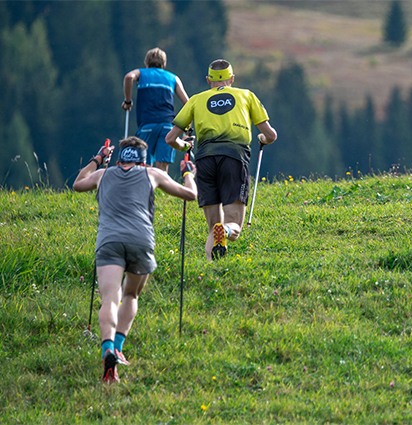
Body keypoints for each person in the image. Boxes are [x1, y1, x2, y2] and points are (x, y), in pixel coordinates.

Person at [73, 136, 197, 383]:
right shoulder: (153, 174)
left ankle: (107, 348)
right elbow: (190, 195)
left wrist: (98, 159)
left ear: (120, 157)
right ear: (144, 159)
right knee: (130, 295)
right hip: (141, 240)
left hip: (109, 241)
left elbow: (77, 184)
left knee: (110, 299)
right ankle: (118, 348)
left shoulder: (102, 175)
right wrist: (188, 173)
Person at [165, 59, 277, 262]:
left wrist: (184, 146)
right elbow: (271, 135)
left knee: (213, 227)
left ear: (208, 80)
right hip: (234, 158)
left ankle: (212, 269)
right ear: (232, 79)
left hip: (205, 160)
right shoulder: (246, 95)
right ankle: (225, 230)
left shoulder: (196, 100)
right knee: (234, 224)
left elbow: (170, 139)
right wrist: (263, 139)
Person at [122, 47, 189, 173]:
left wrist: (128, 101)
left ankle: (148, 185)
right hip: (168, 126)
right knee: (162, 167)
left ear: (147, 63)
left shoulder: (141, 73)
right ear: (164, 64)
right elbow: (188, 104)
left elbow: (128, 77)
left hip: (147, 124)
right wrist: (185, 129)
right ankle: (160, 186)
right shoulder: (173, 78)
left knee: (143, 165)